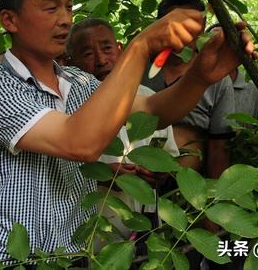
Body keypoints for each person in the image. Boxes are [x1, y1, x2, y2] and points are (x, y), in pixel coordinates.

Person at [0, 0, 255, 264]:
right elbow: (79, 144)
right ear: (10, 20)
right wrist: (141, 46)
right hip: (15, 261)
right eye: (51, 8)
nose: (65, 19)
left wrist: (201, 74)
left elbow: (153, 110)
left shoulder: (81, 82)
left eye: (68, 7)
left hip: (75, 257)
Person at [67, 17, 179, 243]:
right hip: (90, 236)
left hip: (145, 231)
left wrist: (160, 172)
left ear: (120, 50)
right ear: (71, 62)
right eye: (88, 54)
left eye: (107, 48)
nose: (101, 60)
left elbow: (169, 156)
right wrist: (99, 175)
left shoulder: (147, 97)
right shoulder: (67, 106)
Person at [142, 0, 235, 180]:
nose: (184, 32)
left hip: (189, 184)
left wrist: (215, 196)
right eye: (176, 23)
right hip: (136, 176)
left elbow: (219, 144)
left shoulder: (217, 79)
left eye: (191, 24)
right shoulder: (139, 69)